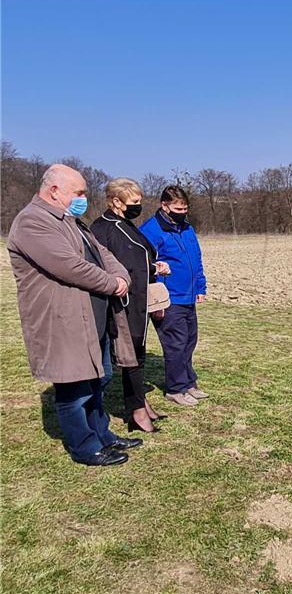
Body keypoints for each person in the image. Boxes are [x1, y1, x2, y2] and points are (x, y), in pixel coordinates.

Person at [6, 164, 143, 466]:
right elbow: (70, 266)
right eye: (78, 192)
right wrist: (112, 284)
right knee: (74, 387)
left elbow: (104, 255)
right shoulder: (33, 222)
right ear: (54, 191)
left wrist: (121, 277)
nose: (83, 198)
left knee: (98, 379)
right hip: (62, 321)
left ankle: (102, 435)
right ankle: (84, 445)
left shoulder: (72, 220)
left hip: (91, 317)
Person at [91, 178, 171, 432]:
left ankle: (140, 403)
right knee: (131, 355)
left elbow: (139, 257)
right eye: (134, 202)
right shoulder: (103, 228)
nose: (139, 206)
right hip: (123, 302)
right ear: (117, 201)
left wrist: (154, 267)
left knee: (139, 353)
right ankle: (136, 412)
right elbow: (114, 265)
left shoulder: (125, 224)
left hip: (140, 298)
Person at [140, 185, 209, 407]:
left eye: (185, 208)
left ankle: (188, 382)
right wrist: (156, 300)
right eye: (178, 208)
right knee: (175, 344)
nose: (182, 212)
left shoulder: (187, 228)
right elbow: (143, 264)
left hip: (188, 296)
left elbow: (196, 260)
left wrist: (200, 288)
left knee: (189, 341)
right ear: (165, 206)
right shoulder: (151, 230)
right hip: (167, 298)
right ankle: (176, 389)